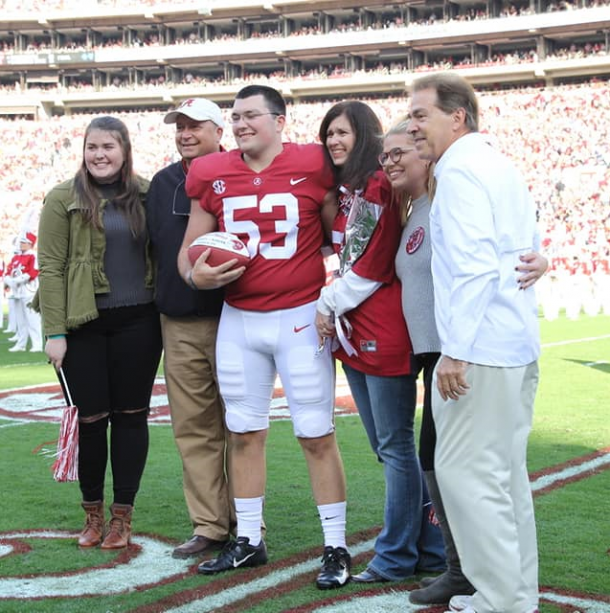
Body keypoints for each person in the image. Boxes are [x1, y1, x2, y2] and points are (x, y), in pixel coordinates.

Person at [177, 85, 351, 589]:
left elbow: (332, 237)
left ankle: (336, 546)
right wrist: (196, 276)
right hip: (238, 317)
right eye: (235, 117)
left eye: (251, 115)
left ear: (279, 120)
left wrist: (336, 290)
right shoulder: (211, 172)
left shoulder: (315, 163)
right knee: (244, 432)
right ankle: (249, 540)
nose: (240, 124)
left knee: (316, 433)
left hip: (299, 315)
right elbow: (191, 248)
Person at [382, 122, 547, 605]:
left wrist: (457, 351)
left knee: (466, 472)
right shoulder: (418, 208)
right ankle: (494, 585)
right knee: (477, 471)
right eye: (386, 155)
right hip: (447, 348)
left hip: (462, 351)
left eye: (404, 149)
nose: (392, 160)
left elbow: (483, 261)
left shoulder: (455, 187)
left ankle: (485, 585)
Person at [315, 100, 445, 584]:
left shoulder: (376, 186)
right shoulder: (353, 190)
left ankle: (394, 556)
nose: (333, 141)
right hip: (357, 332)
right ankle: (429, 547)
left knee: (394, 448)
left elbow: (369, 267)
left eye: (342, 132)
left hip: (380, 332)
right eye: (328, 133)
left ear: (364, 134)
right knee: (391, 449)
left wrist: (327, 304)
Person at [35, 116, 162, 550]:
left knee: (131, 418)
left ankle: (121, 517)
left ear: (125, 150)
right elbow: (49, 268)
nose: (100, 155)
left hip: (140, 323)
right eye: (92, 147)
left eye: (108, 146)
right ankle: (91, 514)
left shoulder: (148, 195)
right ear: (83, 150)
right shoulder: (61, 198)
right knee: (90, 423)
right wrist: (55, 331)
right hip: (82, 325)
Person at [146, 98, 233, 559]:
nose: (184, 133)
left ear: (220, 131)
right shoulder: (162, 183)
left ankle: (247, 522)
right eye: (179, 126)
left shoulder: (239, 173)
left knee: (240, 425)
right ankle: (210, 525)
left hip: (235, 319)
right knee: (194, 429)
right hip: (178, 323)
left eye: (195, 125)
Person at [4, 232, 42, 352]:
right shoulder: (17, 256)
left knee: (32, 319)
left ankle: (37, 344)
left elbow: (34, 272)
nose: (21, 244)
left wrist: (18, 280)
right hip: (17, 292)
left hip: (29, 291)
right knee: (20, 320)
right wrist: (9, 280)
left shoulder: (33, 256)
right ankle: (21, 344)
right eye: (21, 242)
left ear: (30, 244)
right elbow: (9, 270)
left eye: (24, 242)